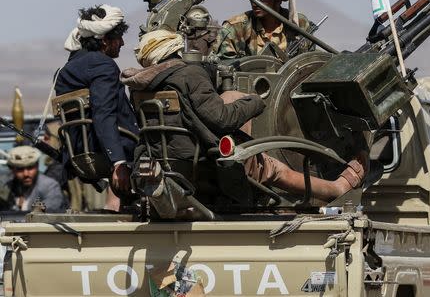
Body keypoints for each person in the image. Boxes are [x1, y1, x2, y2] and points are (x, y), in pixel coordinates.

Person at [121, 30, 365, 211]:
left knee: (230, 98)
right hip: (206, 158)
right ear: (176, 50)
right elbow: (223, 118)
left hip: (168, 160)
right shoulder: (188, 74)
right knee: (274, 169)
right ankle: (336, 188)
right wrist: (254, 101)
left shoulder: (139, 86)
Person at [56, 5, 139, 209]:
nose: (122, 43)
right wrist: (118, 161)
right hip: (114, 146)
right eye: (117, 38)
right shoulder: (101, 65)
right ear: (104, 41)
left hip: (79, 148)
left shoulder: (68, 67)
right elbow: (104, 114)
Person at [214, 0, 311, 59]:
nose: (254, 2)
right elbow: (222, 65)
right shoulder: (235, 28)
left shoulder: (300, 25)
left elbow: (312, 64)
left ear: (277, 0)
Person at [0, 146, 66, 213]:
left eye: (30, 168)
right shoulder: (6, 186)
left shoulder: (50, 186)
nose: (26, 174)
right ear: (12, 170)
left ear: (37, 166)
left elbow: (46, 214)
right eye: (20, 169)